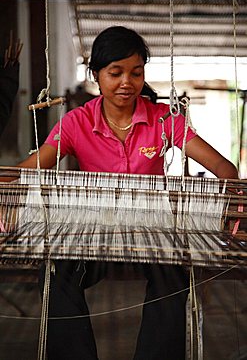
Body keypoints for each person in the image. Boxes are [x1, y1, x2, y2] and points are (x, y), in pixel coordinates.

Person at [13, 26, 238, 360]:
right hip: (93, 231)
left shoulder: (165, 120)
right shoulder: (76, 123)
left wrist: (224, 211)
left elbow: (226, 171)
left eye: (136, 73)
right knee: (58, 273)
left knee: (174, 274)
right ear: (96, 75)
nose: (126, 83)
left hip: (154, 232)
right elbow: (23, 174)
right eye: (115, 73)